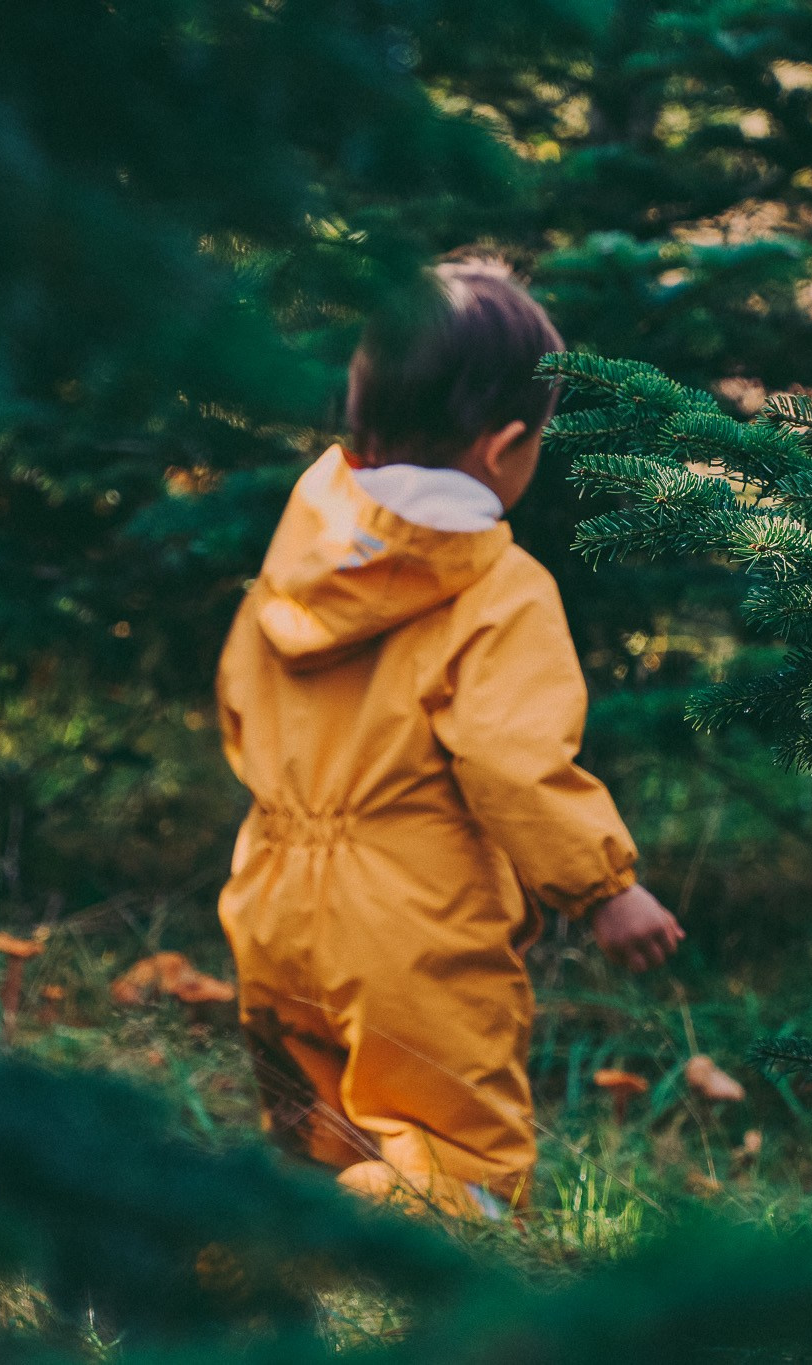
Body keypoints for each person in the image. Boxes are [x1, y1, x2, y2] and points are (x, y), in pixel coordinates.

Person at [214, 258, 684, 1219]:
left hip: (268, 886)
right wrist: (605, 887)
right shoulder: (500, 590)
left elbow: (236, 696)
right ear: (505, 446)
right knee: (453, 1149)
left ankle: (308, 1233)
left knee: (315, 1127)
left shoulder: (300, 556)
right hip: (413, 911)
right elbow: (512, 758)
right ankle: (436, 1249)